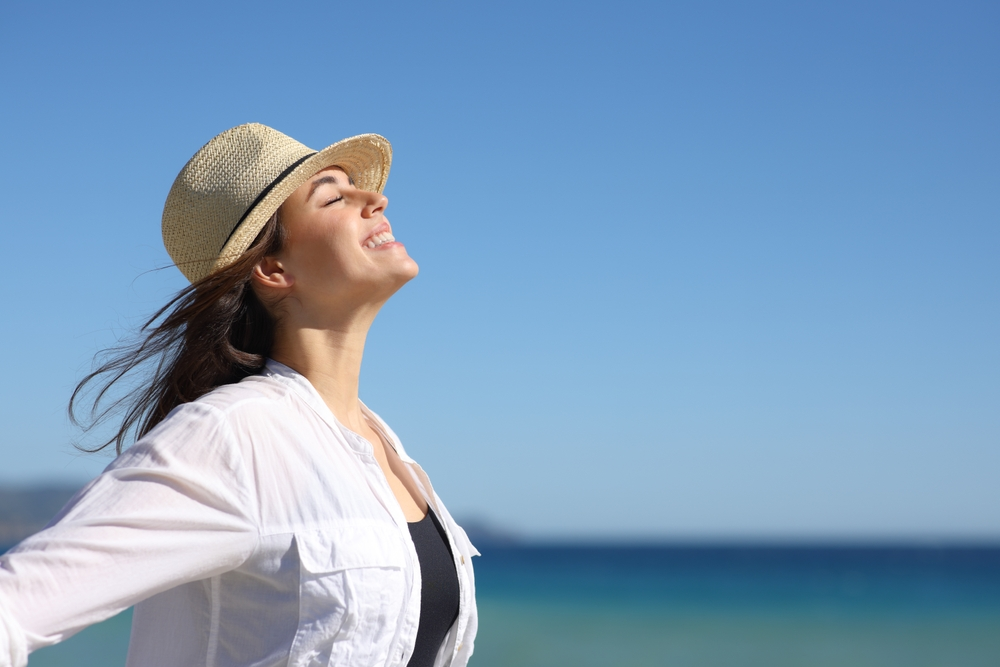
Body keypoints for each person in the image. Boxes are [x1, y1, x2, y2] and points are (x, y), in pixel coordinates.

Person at [0, 123, 478, 667]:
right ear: (272, 269)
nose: (377, 198)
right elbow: (13, 609)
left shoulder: (387, 449)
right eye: (335, 196)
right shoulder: (232, 435)